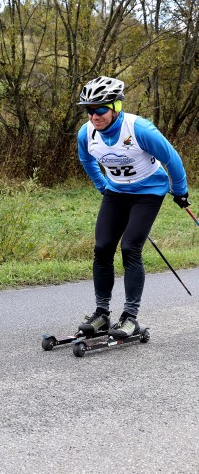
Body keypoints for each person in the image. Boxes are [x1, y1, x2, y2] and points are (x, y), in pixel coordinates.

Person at [76, 76, 190, 339]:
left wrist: (181, 190)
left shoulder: (139, 129)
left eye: (101, 109)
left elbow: (171, 159)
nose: (94, 116)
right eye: (89, 110)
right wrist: (102, 185)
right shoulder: (87, 133)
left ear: (116, 106)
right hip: (116, 192)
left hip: (148, 192)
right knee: (102, 248)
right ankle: (102, 314)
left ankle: (130, 317)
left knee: (130, 248)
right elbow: (87, 160)